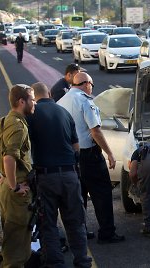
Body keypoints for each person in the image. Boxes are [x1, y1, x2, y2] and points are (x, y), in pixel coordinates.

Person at [26, 82, 92, 267]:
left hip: (45, 176)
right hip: (70, 175)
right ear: (49, 93)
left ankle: (55, 263)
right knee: (75, 222)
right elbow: (76, 147)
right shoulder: (64, 112)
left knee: (48, 223)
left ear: (34, 97)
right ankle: (82, 261)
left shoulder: (31, 115)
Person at [57, 72, 125, 244]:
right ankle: (107, 233)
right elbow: (95, 131)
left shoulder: (61, 102)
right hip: (90, 156)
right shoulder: (85, 101)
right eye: (91, 85)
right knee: (102, 194)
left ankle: (81, 231)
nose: (91, 88)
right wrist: (109, 153)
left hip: (70, 157)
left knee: (78, 196)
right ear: (86, 84)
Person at [0, 84, 35, 267]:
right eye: (32, 99)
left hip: (6, 188)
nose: (34, 102)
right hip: (17, 191)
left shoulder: (2, 122)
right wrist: (14, 186)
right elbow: (9, 158)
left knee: (13, 237)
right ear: (22, 101)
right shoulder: (18, 126)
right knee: (17, 245)